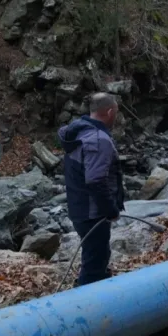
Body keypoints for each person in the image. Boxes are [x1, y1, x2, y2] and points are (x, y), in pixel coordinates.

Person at [58, 92, 125, 286]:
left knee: (96, 255)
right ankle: (85, 306)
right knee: (95, 261)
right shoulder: (98, 139)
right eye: (117, 112)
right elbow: (95, 181)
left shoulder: (78, 132)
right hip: (92, 212)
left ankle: (97, 288)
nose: (116, 117)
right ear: (110, 112)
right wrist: (110, 210)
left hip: (79, 207)